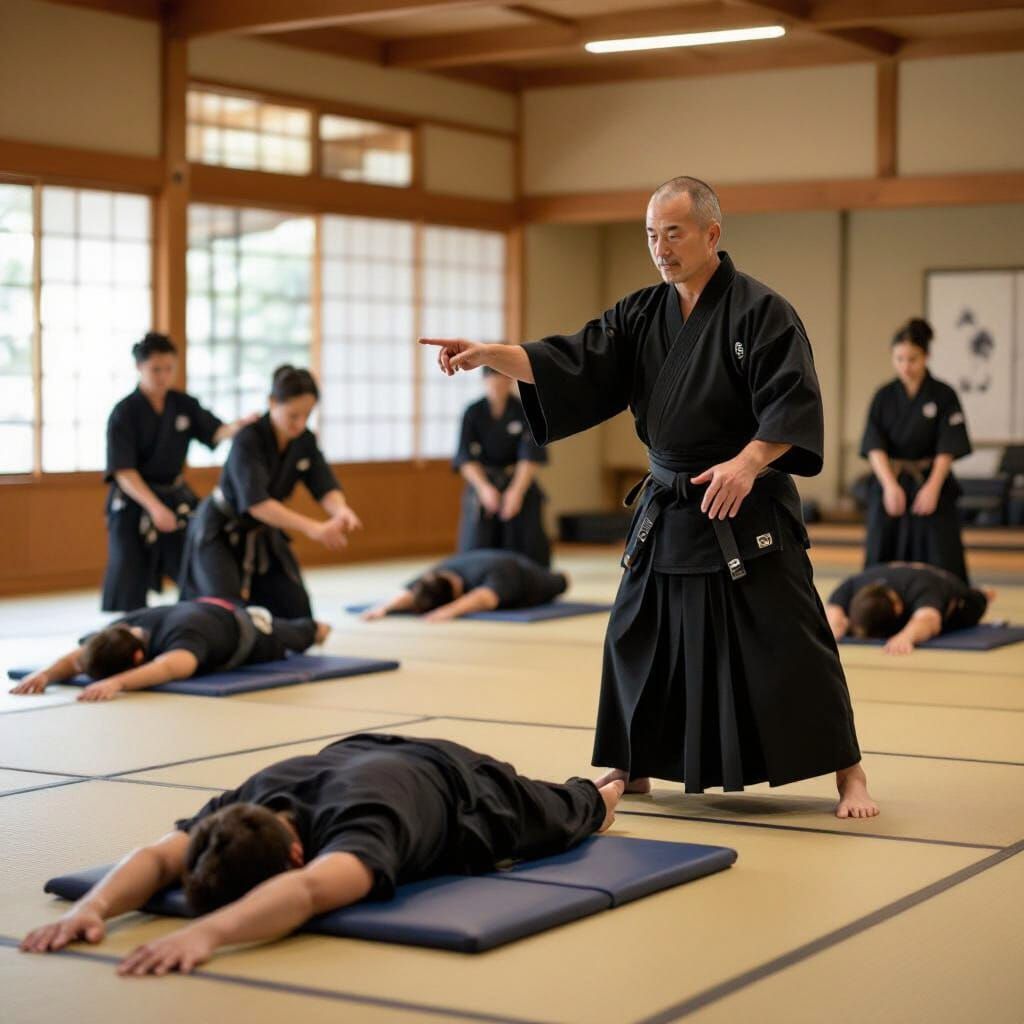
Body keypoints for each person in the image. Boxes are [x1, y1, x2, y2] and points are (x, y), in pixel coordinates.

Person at [422, 176, 877, 819]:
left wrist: (748, 463)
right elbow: (574, 361)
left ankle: (850, 774)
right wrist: (491, 355)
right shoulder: (641, 313)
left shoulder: (761, 311)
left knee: (792, 638)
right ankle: (628, 765)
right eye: (650, 235)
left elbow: (792, 402)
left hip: (743, 507)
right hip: (669, 505)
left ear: (711, 235)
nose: (660, 248)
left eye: (673, 233)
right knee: (635, 633)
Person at [18, 733, 624, 975]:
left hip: (463, 785)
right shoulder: (242, 808)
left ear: (298, 853)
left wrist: (206, 935)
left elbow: (307, 893)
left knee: (583, 812)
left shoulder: (361, 830)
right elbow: (156, 858)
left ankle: (624, 778)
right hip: (359, 751)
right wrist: (89, 910)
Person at [178, 366, 362, 619]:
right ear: (272, 402)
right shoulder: (249, 438)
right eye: (293, 415)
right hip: (220, 530)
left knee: (299, 618)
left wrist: (341, 510)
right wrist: (314, 528)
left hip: (263, 533)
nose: (300, 423)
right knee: (223, 617)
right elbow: (257, 503)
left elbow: (324, 484)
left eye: (307, 415)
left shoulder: (304, 440)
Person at [102, 333, 255, 612]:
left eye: (169, 368)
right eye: (155, 369)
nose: (163, 376)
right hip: (135, 499)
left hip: (174, 493)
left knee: (194, 554)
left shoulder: (183, 404)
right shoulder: (124, 413)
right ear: (140, 368)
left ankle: (196, 615)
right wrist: (155, 508)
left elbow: (215, 432)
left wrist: (240, 426)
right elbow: (123, 470)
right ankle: (129, 627)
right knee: (128, 569)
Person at [8, 597, 330, 702]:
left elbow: (172, 667)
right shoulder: (119, 629)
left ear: (136, 659)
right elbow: (79, 659)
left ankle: (316, 628)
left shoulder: (182, 639)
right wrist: (47, 674)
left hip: (251, 632)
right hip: (204, 610)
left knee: (307, 631)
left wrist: (118, 682)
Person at [861, 318, 972, 582]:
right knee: (881, 547)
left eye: (912, 359)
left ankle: (948, 606)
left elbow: (948, 446)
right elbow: (874, 445)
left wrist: (933, 487)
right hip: (892, 480)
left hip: (931, 480)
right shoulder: (884, 396)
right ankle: (878, 607)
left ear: (926, 356)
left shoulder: (944, 394)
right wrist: (889, 486)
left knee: (941, 552)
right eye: (899, 359)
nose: (905, 366)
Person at [454, 366, 551, 566]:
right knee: (475, 544)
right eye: (492, 378)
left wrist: (516, 492)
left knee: (527, 539)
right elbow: (465, 458)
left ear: (511, 380)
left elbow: (530, 456)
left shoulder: (526, 411)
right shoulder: (472, 413)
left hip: (517, 480)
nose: (497, 383)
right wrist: (484, 489)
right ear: (484, 380)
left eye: (502, 377)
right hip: (484, 483)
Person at [824, 562, 993, 655]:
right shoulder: (855, 585)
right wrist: (834, 627)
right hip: (900, 574)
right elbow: (833, 611)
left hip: (956, 594)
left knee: (978, 599)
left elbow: (929, 619)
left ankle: (985, 593)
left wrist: (906, 636)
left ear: (898, 608)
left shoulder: (923, 589)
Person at [362, 549, 569, 623]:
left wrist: (448, 611)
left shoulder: (494, 575)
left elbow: (486, 598)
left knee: (560, 582)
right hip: (495, 560)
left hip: (530, 578)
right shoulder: (439, 573)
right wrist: (384, 608)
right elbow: (410, 591)